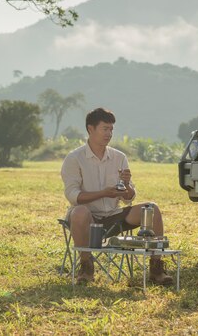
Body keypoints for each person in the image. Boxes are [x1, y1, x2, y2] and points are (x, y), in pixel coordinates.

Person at [61, 107, 173, 285]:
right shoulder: (74, 158)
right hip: (86, 218)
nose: (109, 133)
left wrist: (127, 186)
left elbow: (128, 198)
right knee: (80, 211)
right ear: (91, 129)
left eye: (111, 129)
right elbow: (73, 196)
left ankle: (156, 266)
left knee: (152, 209)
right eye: (105, 129)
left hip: (113, 216)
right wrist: (104, 192)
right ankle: (86, 266)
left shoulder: (119, 157)